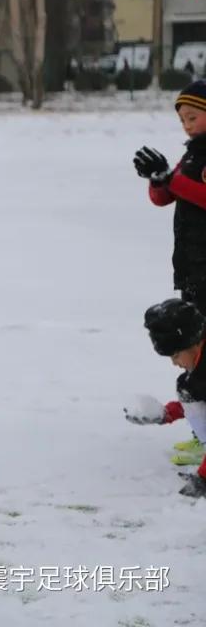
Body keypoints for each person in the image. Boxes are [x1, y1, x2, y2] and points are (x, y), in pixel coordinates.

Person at [133, 80, 206, 462]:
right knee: (192, 350)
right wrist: (158, 180)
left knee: (201, 351)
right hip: (192, 268)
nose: (187, 124)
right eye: (182, 120)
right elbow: (166, 198)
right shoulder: (192, 155)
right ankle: (201, 431)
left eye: (193, 117)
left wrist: (174, 179)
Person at [126, 298, 206, 498]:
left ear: (192, 343)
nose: (174, 363)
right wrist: (166, 414)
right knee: (187, 387)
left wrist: (203, 479)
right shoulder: (198, 373)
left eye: (176, 355)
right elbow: (197, 398)